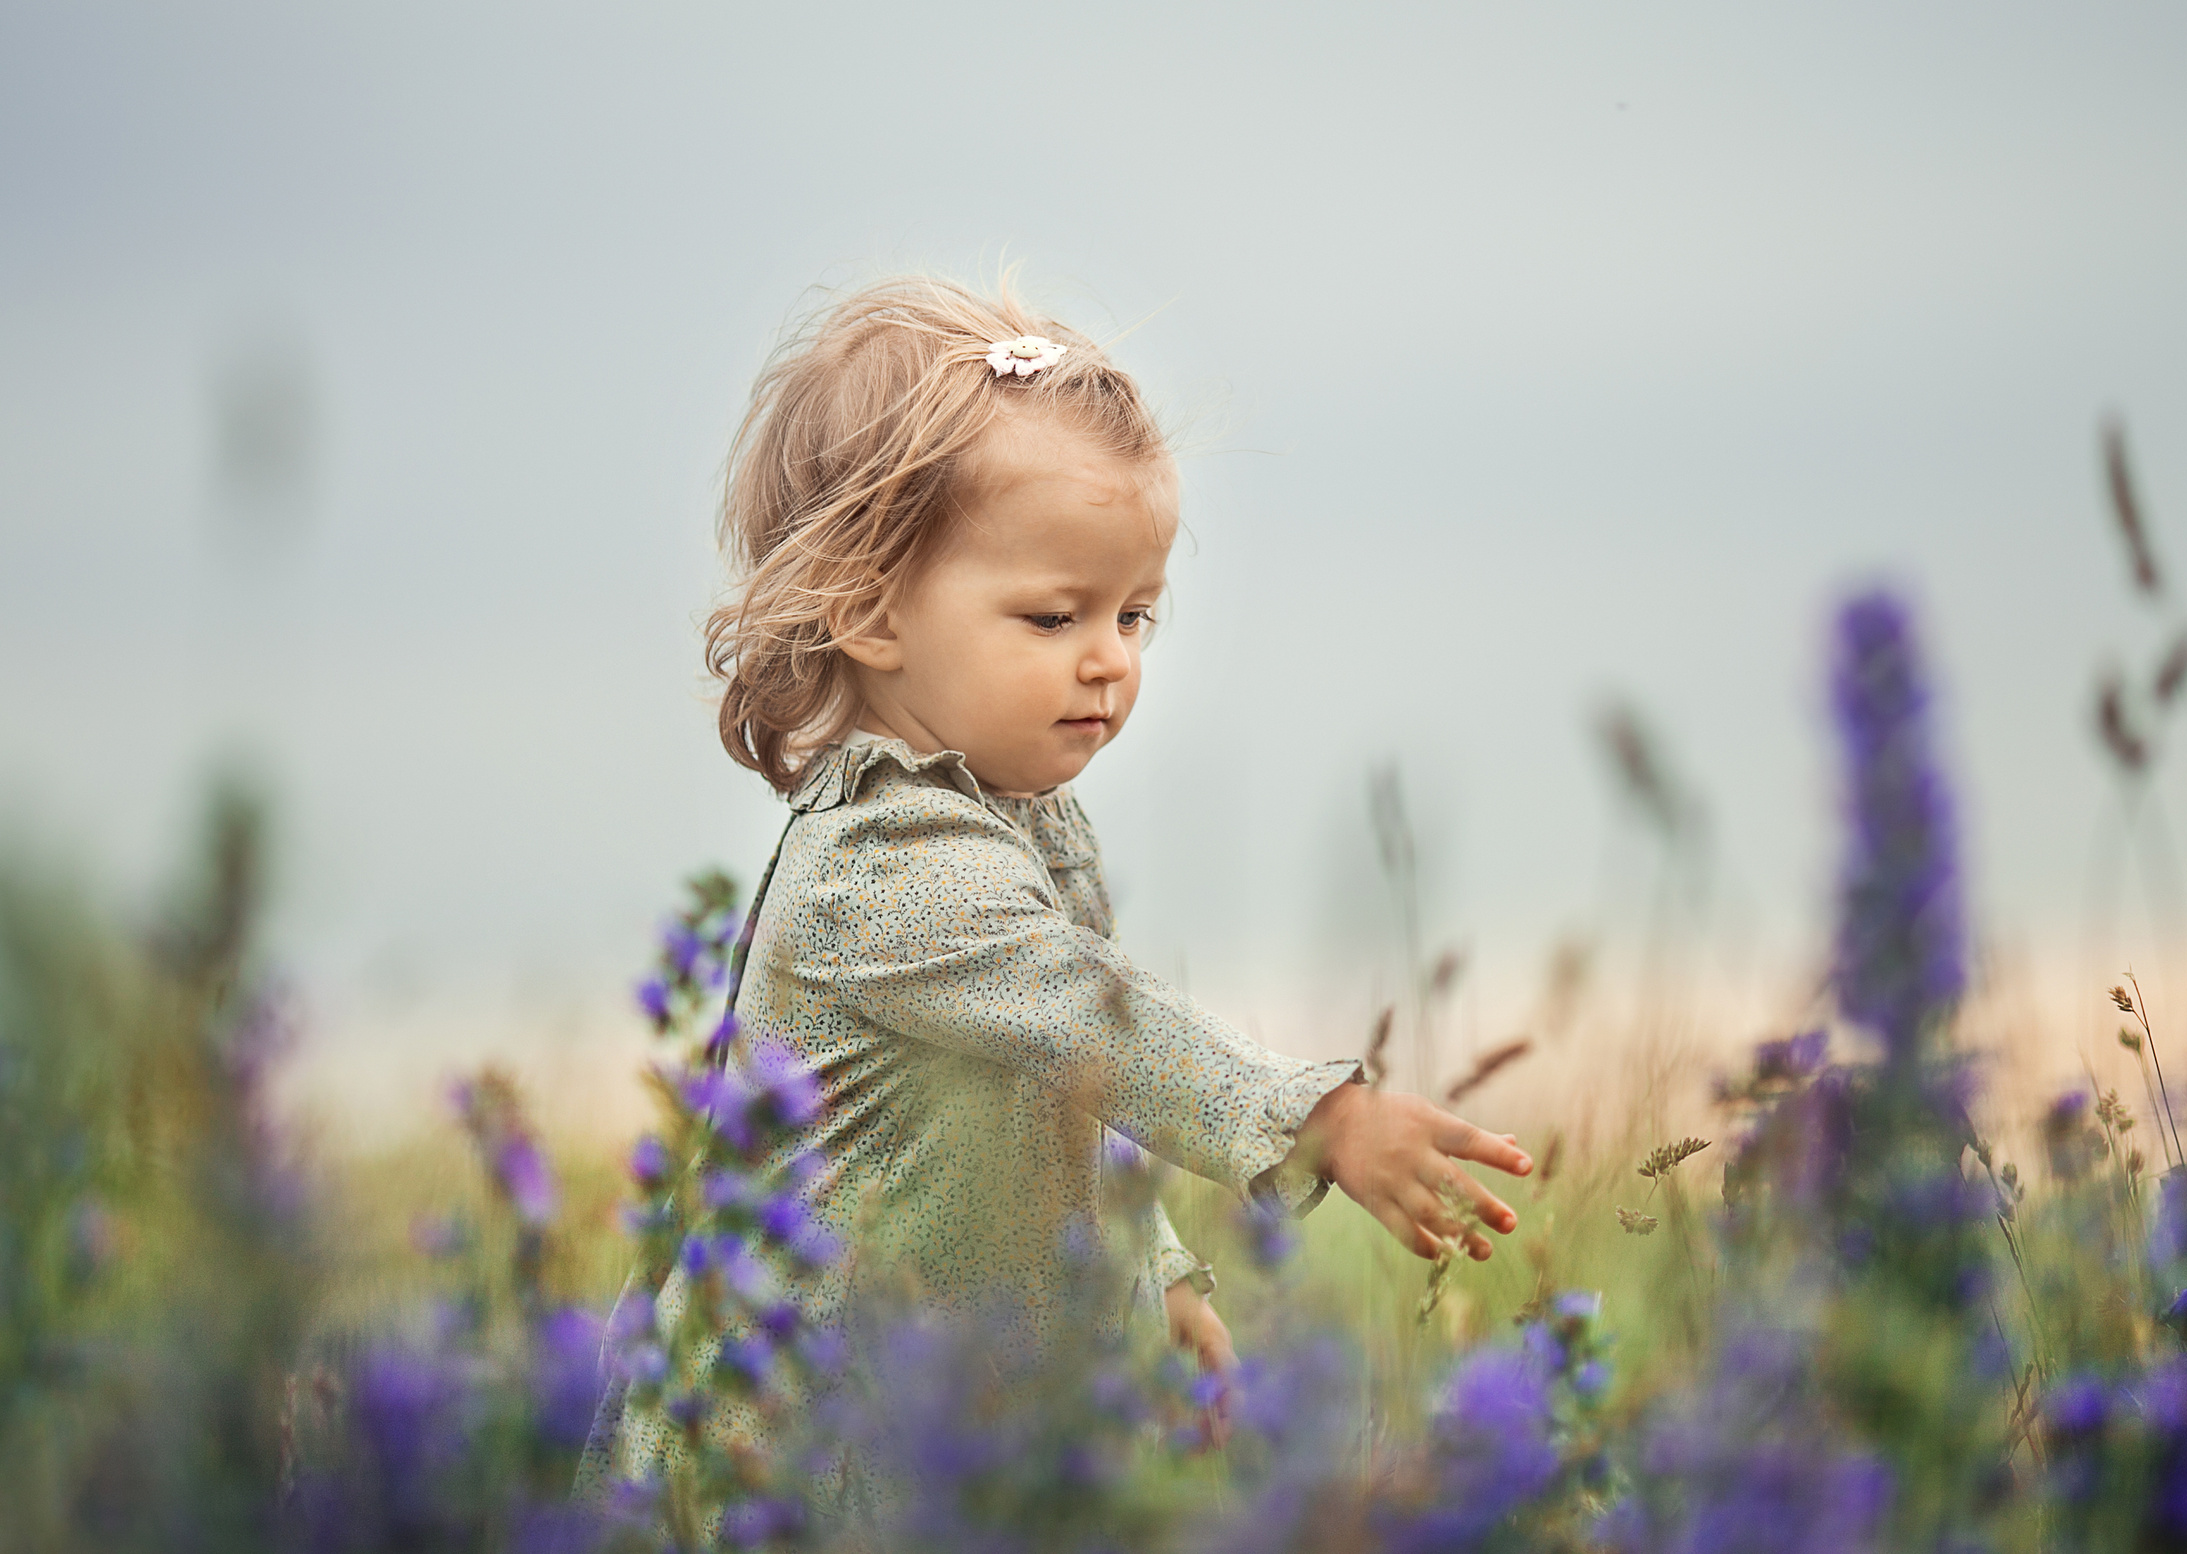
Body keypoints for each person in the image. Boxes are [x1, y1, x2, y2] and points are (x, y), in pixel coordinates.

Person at [607, 274, 1531, 1494]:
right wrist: (1320, 1112)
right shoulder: (885, 867)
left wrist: (1156, 1278)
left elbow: (1056, 1080)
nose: (1109, 661)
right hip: (789, 1434)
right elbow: (1094, 1016)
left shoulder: (1017, 821)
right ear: (870, 612)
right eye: (1053, 616)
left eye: (1136, 614)